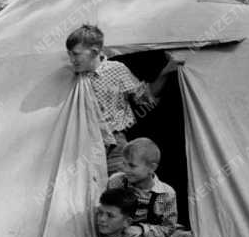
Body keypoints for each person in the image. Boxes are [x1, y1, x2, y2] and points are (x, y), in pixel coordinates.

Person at [66, 24, 180, 173]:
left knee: (118, 187)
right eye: (69, 54)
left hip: (115, 143)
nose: (71, 59)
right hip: (82, 145)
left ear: (94, 52)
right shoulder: (70, 76)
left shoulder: (116, 70)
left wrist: (165, 72)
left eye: (76, 54)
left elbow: (144, 97)